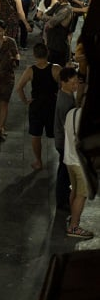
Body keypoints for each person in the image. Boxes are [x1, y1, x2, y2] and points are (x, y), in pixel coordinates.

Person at [15, 42, 62, 170]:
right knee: (57, 134)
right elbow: (63, 86)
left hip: (36, 105)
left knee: (36, 135)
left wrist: (25, 101)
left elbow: (19, 88)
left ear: (34, 55)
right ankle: (62, 158)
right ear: (48, 53)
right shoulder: (56, 68)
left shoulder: (31, 70)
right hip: (52, 104)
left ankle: (38, 161)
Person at [63, 102, 92, 238]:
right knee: (82, 194)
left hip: (69, 160)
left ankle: (72, 217)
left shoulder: (71, 113)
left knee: (74, 191)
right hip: (81, 165)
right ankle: (74, 227)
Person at [52, 67, 78, 211]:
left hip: (63, 140)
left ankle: (63, 197)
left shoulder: (67, 95)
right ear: (63, 82)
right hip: (64, 142)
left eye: (76, 82)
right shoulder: (65, 103)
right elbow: (68, 127)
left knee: (64, 171)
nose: (75, 85)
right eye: (73, 82)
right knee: (64, 172)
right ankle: (62, 200)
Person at [43, 0, 74, 66]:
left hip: (59, 47)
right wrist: (52, 18)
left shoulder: (67, 9)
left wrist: (52, 18)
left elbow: (51, 23)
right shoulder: (57, 5)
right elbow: (43, 16)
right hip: (51, 44)